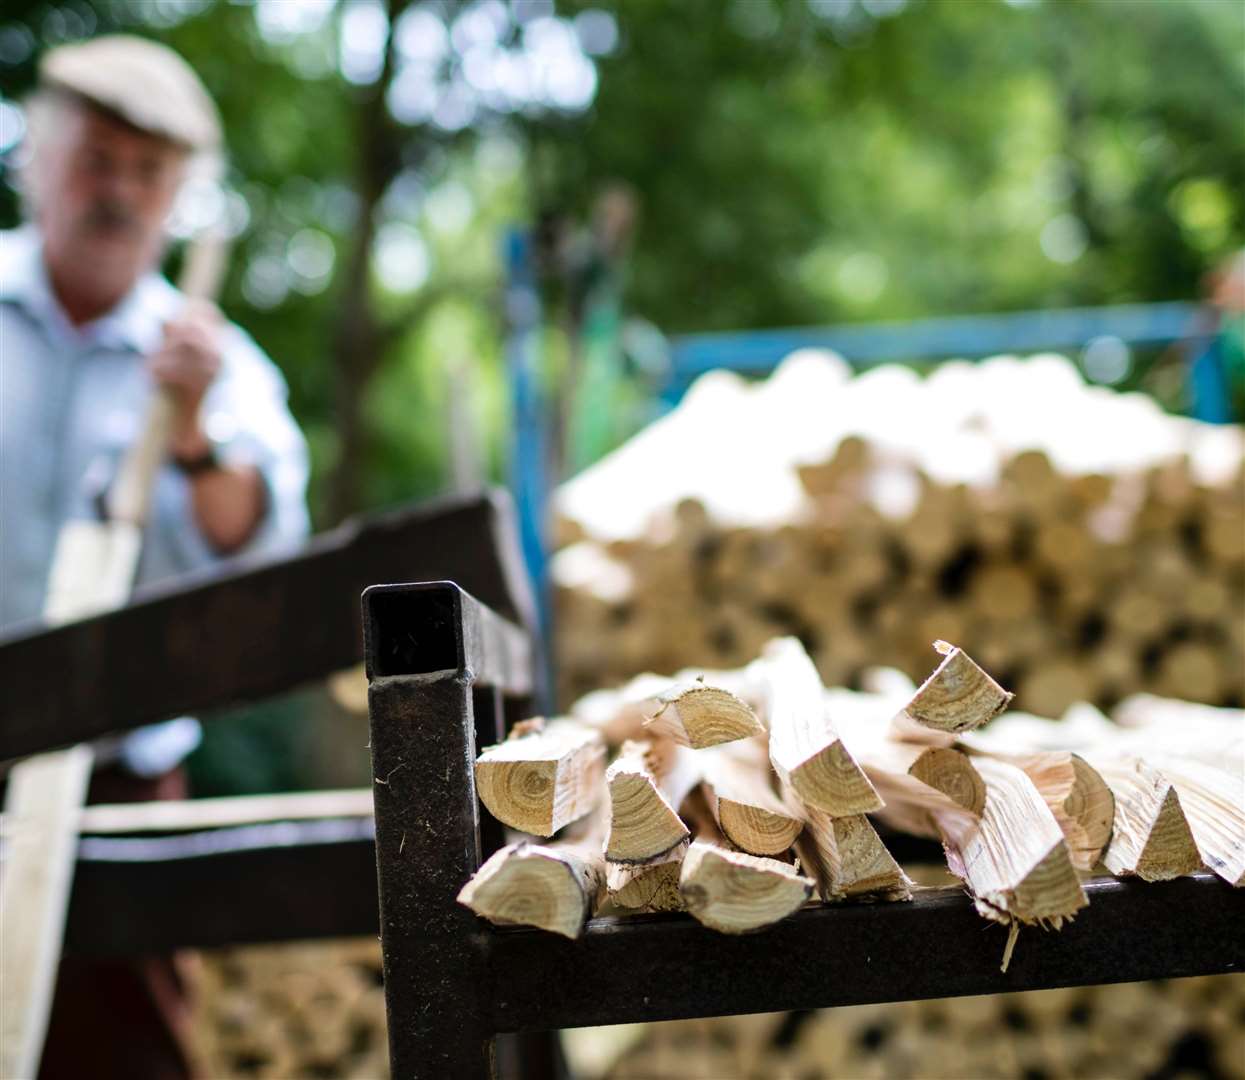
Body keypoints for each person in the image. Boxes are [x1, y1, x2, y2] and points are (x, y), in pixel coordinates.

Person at [0, 34, 310, 1079]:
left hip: (120, 782)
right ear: (37, 156)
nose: (119, 193)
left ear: (178, 194)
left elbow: (260, 548)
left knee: (126, 1055)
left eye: (149, 173)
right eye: (97, 159)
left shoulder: (218, 366)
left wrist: (193, 436)